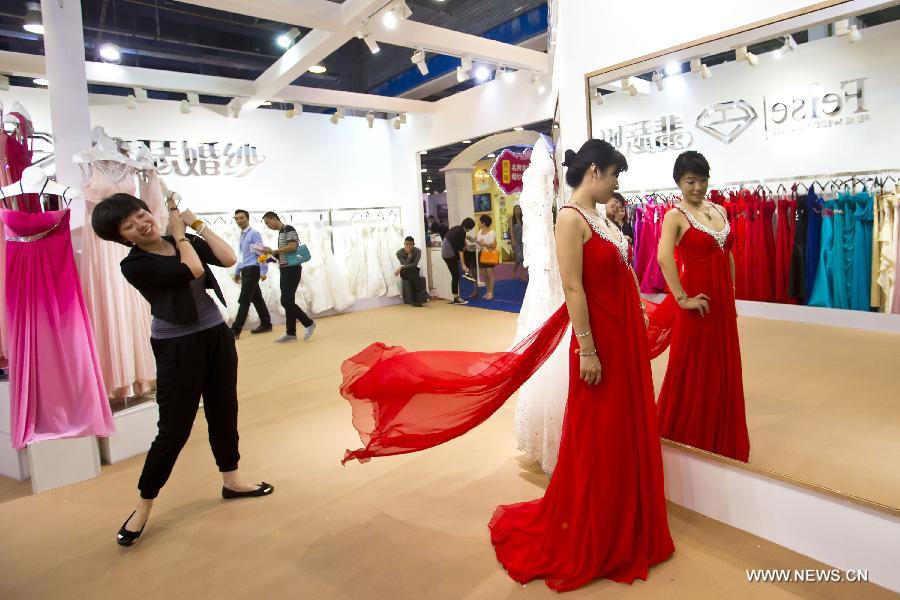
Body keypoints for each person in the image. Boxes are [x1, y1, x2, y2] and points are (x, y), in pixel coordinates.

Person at [339, 139, 674, 591]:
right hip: (600, 340)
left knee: (625, 425)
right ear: (593, 172)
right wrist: (589, 349)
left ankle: (627, 517)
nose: (617, 185)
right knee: (603, 430)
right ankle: (602, 526)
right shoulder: (570, 219)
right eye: (614, 175)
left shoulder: (600, 218)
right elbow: (574, 289)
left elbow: (623, 275)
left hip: (624, 336)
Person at [91, 193, 274, 548]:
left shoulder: (184, 238)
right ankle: (144, 503)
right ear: (123, 237)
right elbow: (191, 270)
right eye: (129, 225)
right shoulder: (134, 265)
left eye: (141, 214)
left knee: (224, 410)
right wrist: (178, 235)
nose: (142, 223)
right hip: (176, 345)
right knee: (173, 430)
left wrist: (195, 224)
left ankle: (232, 480)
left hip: (215, 336)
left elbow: (229, 257)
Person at [655, 150, 750, 462]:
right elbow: (663, 257)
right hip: (697, 305)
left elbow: (728, 256)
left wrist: (732, 295)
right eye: (690, 181)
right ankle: (686, 439)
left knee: (722, 368)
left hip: (721, 303)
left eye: (702, 179)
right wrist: (682, 298)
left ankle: (720, 438)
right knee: (693, 367)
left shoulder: (719, 210)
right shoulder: (674, 216)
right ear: (679, 183)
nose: (697, 187)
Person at [262, 211, 316, 343]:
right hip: (285, 269)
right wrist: (269, 257)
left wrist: (274, 251)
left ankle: (308, 323)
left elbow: (292, 247)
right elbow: (284, 254)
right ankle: (290, 333)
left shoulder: (289, 229)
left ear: (274, 219)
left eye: (268, 223)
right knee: (289, 301)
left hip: (292, 269)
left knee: (285, 301)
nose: (268, 226)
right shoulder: (281, 233)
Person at [230, 209, 272, 339]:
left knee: (244, 299)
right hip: (245, 270)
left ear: (247, 219)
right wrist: (237, 271)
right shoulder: (242, 236)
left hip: (253, 269)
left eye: (241, 218)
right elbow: (242, 257)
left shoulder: (253, 234)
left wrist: (264, 271)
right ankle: (266, 324)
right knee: (256, 298)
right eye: (236, 218)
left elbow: (261, 253)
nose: (239, 221)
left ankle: (235, 330)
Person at [440, 217, 476, 305]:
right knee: (455, 276)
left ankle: (468, 272)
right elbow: (460, 251)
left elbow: (458, 239)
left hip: (447, 253)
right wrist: (463, 265)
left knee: (469, 253)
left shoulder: (457, 228)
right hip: (449, 254)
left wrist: (466, 239)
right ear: (469, 227)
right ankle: (456, 297)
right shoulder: (462, 232)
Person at [395, 236, 425, 307]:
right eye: (407, 244)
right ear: (404, 244)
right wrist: (409, 255)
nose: (408, 246)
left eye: (411, 244)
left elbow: (415, 264)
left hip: (412, 270)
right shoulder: (399, 253)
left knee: (413, 274)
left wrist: (401, 267)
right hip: (404, 272)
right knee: (413, 273)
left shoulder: (418, 251)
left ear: (414, 244)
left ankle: (415, 301)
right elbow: (405, 264)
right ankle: (419, 294)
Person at [475, 214, 498, 300]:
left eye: (480, 221)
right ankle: (487, 291)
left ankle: (491, 292)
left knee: (489, 274)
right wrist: (475, 242)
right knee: (484, 275)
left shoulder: (492, 232)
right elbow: (478, 244)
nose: (479, 223)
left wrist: (484, 244)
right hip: (481, 253)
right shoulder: (479, 232)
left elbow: (493, 246)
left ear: (484, 223)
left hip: (489, 254)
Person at [508, 204, 526, 280]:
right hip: (515, 240)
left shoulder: (523, 219)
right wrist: (513, 240)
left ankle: (522, 274)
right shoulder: (511, 219)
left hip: (523, 241)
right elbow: (511, 230)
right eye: (516, 209)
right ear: (514, 210)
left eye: (519, 209)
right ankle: (514, 271)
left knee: (523, 258)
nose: (518, 210)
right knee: (519, 257)